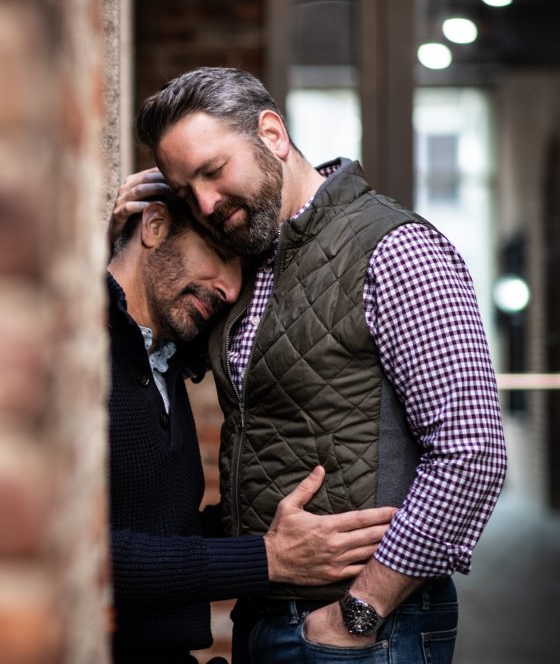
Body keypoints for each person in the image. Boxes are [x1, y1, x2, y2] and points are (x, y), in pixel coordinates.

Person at [115, 66, 508, 663]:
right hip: (265, 612)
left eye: (213, 170)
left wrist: (360, 611)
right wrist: (116, 243)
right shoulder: (250, 260)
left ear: (272, 134)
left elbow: (472, 453)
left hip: (362, 628)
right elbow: (145, 339)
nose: (206, 203)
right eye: (185, 189)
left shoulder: (396, 250)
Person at [105, 193, 396, 664]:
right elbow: (75, 555)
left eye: (242, 272)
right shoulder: (74, 351)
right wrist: (268, 558)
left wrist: (280, 524)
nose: (231, 289)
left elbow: (163, 533)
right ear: (154, 226)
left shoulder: (163, 364)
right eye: (220, 254)